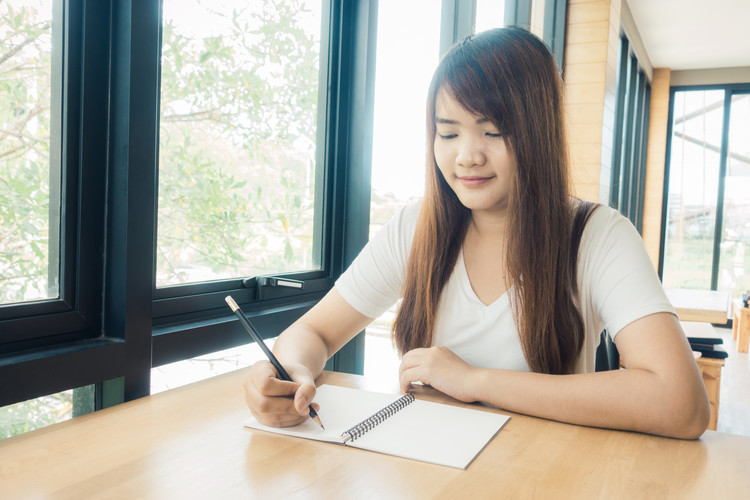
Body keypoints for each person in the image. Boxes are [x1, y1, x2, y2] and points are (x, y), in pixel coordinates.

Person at [243, 27, 710, 439]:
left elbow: (680, 404)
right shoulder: (417, 226)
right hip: (428, 468)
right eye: (448, 134)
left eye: (492, 132)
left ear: (538, 133)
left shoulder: (597, 235)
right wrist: (292, 372)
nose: (467, 156)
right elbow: (315, 331)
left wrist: (475, 381)